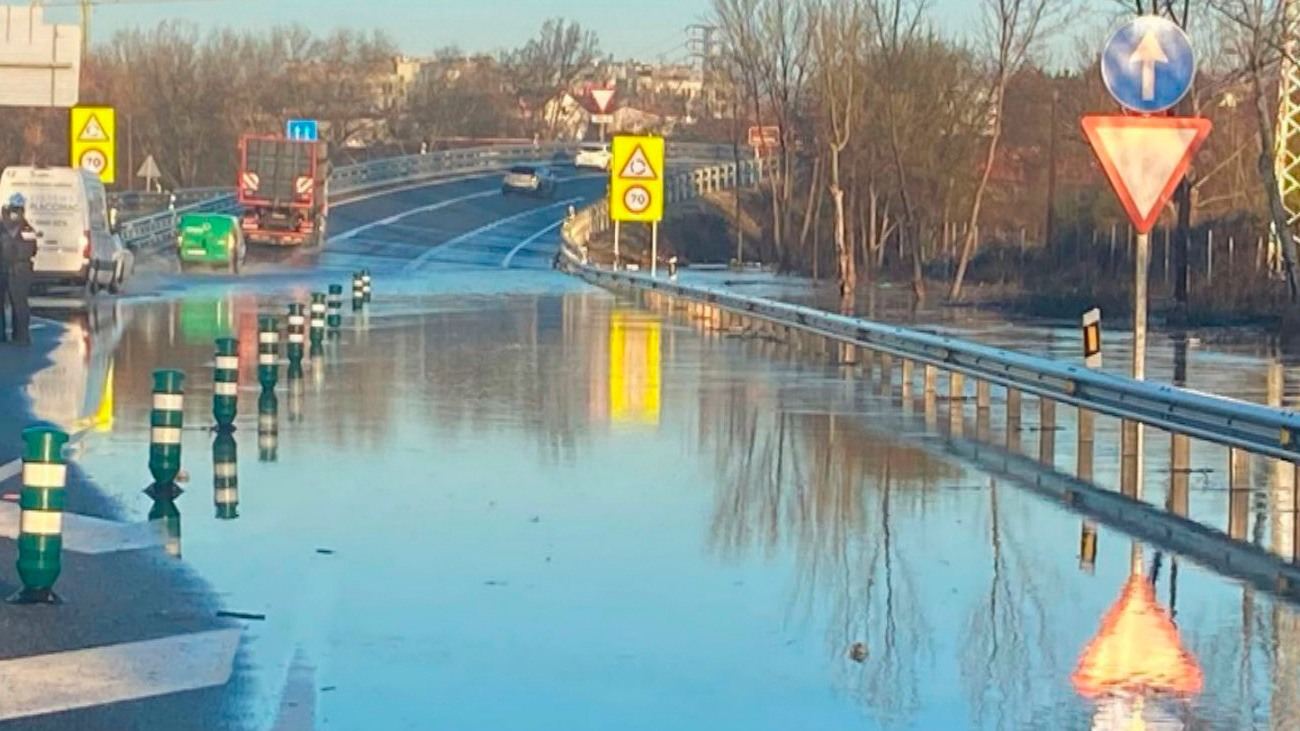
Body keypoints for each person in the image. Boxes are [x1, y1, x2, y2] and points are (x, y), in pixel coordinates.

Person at [0, 193, 37, 345]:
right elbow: (33, 250)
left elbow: (30, 249)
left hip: (16, 268)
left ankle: (20, 336)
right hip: (13, 268)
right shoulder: (25, 227)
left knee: (19, 303)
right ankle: (19, 336)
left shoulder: (21, 228)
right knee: (18, 303)